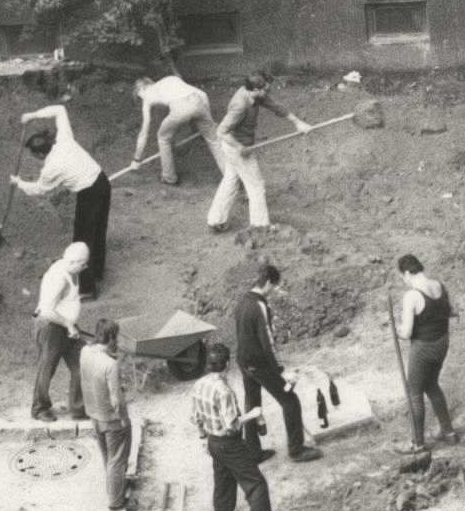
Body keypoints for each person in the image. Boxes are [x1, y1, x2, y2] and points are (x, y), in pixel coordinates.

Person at [191, 342, 287, 511]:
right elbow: (232, 424)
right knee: (256, 484)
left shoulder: (199, 385)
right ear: (227, 364)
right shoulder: (223, 391)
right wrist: (253, 414)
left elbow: (196, 417)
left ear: (208, 364)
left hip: (213, 442)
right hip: (229, 443)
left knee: (223, 486)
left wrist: (203, 436)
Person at [11, 104, 111, 299]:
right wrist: (32, 115)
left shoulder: (51, 169)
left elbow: (38, 189)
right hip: (102, 182)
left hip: (89, 192)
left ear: (40, 154)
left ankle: (87, 288)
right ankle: (97, 271)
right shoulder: (63, 139)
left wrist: (18, 183)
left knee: (83, 238)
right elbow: (60, 109)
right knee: (99, 229)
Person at [234, 261, 322, 463]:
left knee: (252, 404)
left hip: (244, 361)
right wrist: (280, 371)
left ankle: (254, 452)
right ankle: (296, 450)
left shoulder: (242, 302)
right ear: (269, 283)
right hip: (260, 363)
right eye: (273, 287)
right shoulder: (259, 305)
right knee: (290, 400)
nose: (273, 291)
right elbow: (268, 341)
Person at [207, 72, 313, 233]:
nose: (267, 93)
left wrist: (298, 122)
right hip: (236, 147)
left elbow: (276, 106)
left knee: (231, 180)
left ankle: (216, 220)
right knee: (256, 186)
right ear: (256, 90)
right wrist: (240, 147)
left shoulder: (257, 95)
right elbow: (221, 132)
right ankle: (260, 227)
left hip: (239, 145)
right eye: (265, 90)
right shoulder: (240, 105)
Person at [394, 254, 459, 453]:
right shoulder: (439, 285)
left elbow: (406, 333)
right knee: (431, 385)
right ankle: (449, 433)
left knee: (414, 392)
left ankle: (417, 444)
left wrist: (396, 328)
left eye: (402, 277)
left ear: (406, 273)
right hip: (442, 343)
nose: (403, 281)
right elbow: (451, 312)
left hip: (423, 348)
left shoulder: (412, 296)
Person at [31, 242, 91, 422]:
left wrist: (70, 324)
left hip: (65, 326)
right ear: (73, 261)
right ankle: (39, 408)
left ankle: (78, 409)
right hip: (50, 327)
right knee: (47, 367)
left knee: (82, 363)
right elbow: (46, 310)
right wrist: (69, 324)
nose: (85, 267)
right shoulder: (59, 277)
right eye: (83, 264)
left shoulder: (71, 269)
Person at [128, 75, 224, 185]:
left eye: (139, 96)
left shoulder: (147, 97)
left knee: (163, 138)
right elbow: (203, 95)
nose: (141, 99)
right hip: (198, 102)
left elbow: (144, 133)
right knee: (214, 141)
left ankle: (169, 177)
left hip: (180, 107)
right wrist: (209, 122)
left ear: (141, 89)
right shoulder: (171, 79)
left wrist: (137, 159)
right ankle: (231, 176)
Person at [79, 318, 131, 510]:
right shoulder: (110, 364)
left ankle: (113, 487)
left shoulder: (85, 352)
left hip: (93, 412)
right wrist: (124, 420)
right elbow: (116, 399)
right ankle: (116, 500)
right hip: (111, 418)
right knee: (117, 459)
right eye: (115, 337)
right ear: (110, 338)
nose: (116, 341)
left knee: (107, 457)